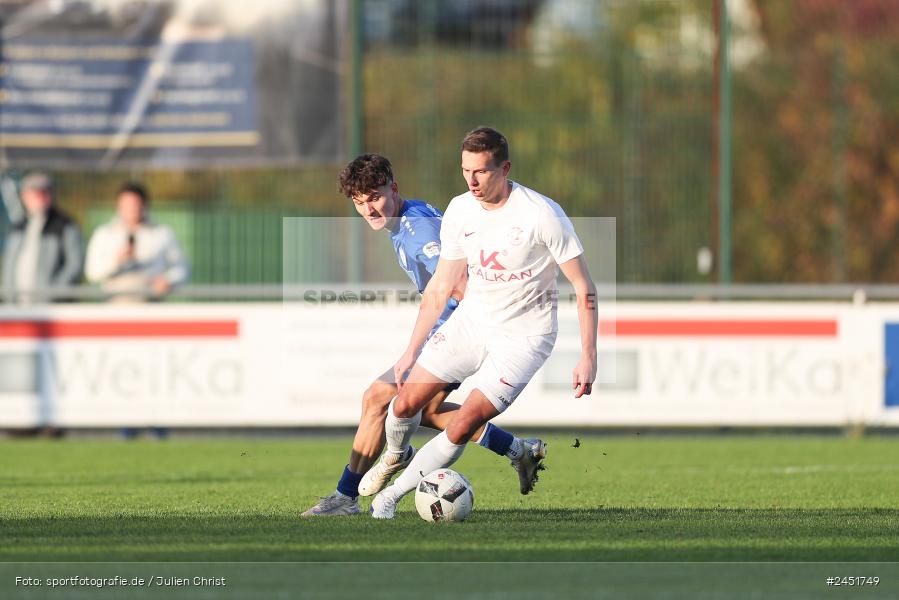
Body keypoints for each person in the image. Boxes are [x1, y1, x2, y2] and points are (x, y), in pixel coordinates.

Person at [369, 127, 598, 519]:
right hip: (472, 322)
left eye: (481, 171)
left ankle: (388, 499)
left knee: (462, 424)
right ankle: (402, 457)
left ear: (505, 168)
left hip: (525, 337)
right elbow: (440, 287)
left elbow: (584, 287)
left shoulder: (541, 214)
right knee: (404, 402)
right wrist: (410, 353)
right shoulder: (460, 210)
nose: (472, 181)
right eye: (465, 170)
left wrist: (588, 356)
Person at [301, 153, 547, 517]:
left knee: (378, 398)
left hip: (453, 332)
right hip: (449, 328)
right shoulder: (408, 217)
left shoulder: (418, 232)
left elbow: (459, 284)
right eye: (360, 202)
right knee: (428, 412)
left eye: (376, 197)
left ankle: (349, 494)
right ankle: (517, 450)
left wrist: (468, 335)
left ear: (393, 189)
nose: (369, 209)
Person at [85, 182, 189, 303]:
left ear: (145, 205)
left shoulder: (162, 234)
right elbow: (92, 273)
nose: (131, 209)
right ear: (118, 206)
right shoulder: (104, 234)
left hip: (150, 305)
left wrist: (168, 280)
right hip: (115, 305)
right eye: (126, 205)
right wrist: (116, 260)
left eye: (135, 204)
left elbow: (182, 268)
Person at [1, 171, 83, 304]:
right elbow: (9, 266)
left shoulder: (64, 226)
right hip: (17, 305)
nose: (38, 198)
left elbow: (74, 265)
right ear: (24, 196)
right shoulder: (18, 228)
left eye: (43, 193)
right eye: (33, 194)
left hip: (50, 309)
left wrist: (54, 293)